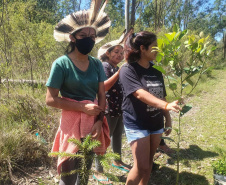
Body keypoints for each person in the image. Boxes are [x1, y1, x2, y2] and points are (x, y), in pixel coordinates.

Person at [45, 1, 112, 184]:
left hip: (92, 122)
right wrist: (82, 107)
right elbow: (51, 99)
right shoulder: (61, 64)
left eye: (92, 36)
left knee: (84, 170)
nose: (89, 39)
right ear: (73, 37)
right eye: (83, 35)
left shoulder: (97, 64)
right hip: (70, 123)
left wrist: (99, 121)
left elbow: (101, 94)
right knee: (68, 173)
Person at [119, 30, 181, 185]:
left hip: (156, 123)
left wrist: (167, 117)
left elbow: (161, 95)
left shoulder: (156, 70)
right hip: (137, 123)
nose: (158, 50)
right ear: (142, 48)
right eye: (154, 46)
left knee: (148, 165)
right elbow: (139, 94)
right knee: (140, 166)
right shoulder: (128, 70)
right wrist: (166, 105)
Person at [93, 31, 131, 183]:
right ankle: (98, 170)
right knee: (103, 139)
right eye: (116, 52)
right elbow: (104, 87)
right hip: (107, 109)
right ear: (107, 53)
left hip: (119, 108)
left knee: (117, 137)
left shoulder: (116, 68)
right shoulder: (104, 66)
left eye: (122, 53)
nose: (120, 55)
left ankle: (117, 160)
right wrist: (121, 71)